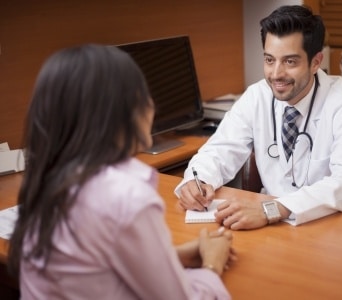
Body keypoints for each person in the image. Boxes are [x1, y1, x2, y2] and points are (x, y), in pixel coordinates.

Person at [8, 44, 236, 299]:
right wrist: (212, 264)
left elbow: (91, 268)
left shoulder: (46, 181)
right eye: (144, 95)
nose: (152, 105)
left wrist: (176, 257)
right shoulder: (126, 197)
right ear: (119, 112)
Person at [175, 5, 342, 230]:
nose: (276, 74)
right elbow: (219, 149)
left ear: (316, 62)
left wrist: (271, 209)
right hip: (282, 228)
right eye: (269, 60)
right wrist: (198, 181)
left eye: (290, 62)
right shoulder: (256, 96)